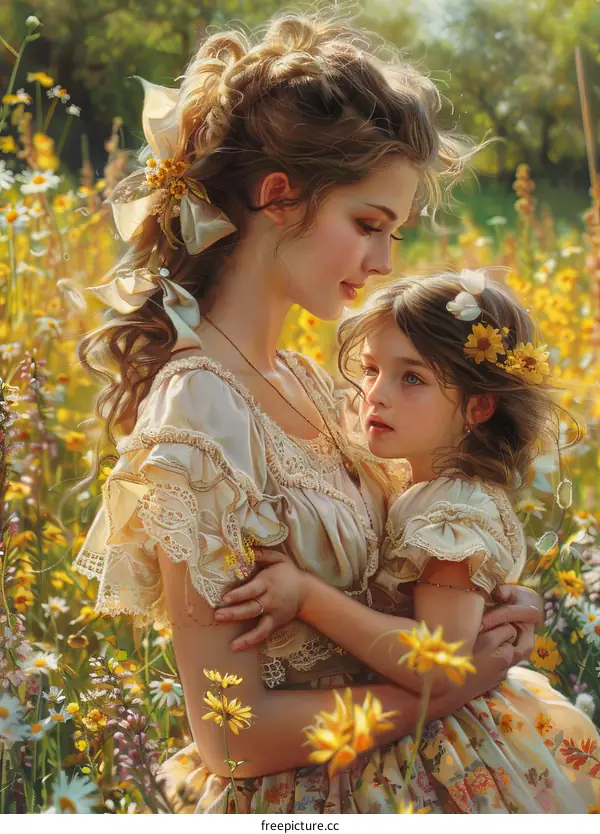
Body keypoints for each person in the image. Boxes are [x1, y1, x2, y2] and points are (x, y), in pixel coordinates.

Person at [72, 9, 546, 814]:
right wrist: (442, 691)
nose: (384, 262)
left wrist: (491, 604)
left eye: (391, 233)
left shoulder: (318, 384)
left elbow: (405, 564)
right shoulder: (198, 419)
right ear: (279, 198)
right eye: (368, 225)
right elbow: (232, 734)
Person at [219, 270, 600, 812]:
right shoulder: (412, 484)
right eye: (372, 370)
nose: (376, 395)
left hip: (437, 749)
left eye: (412, 379)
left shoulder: (451, 508)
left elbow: (440, 664)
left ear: (478, 407)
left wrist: (307, 596)